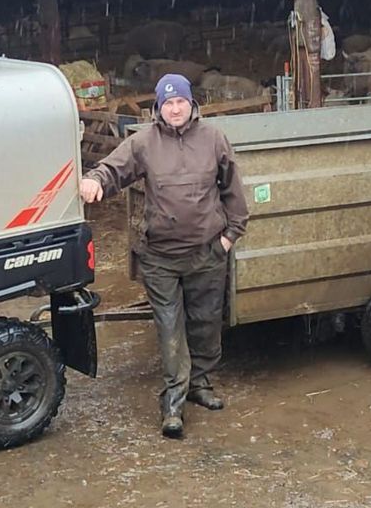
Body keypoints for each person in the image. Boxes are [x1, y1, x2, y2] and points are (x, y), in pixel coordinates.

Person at [80, 74, 249, 438]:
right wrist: (95, 179)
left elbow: (232, 189)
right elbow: (113, 168)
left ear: (192, 104)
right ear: (158, 107)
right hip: (160, 257)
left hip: (207, 251)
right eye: (168, 102)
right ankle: (173, 402)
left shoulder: (213, 139)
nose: (175, 108)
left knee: (205, 322)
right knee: (171, 328)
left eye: (181, 102)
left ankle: (201, 384)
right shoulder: (143, 142)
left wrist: (230, 236)